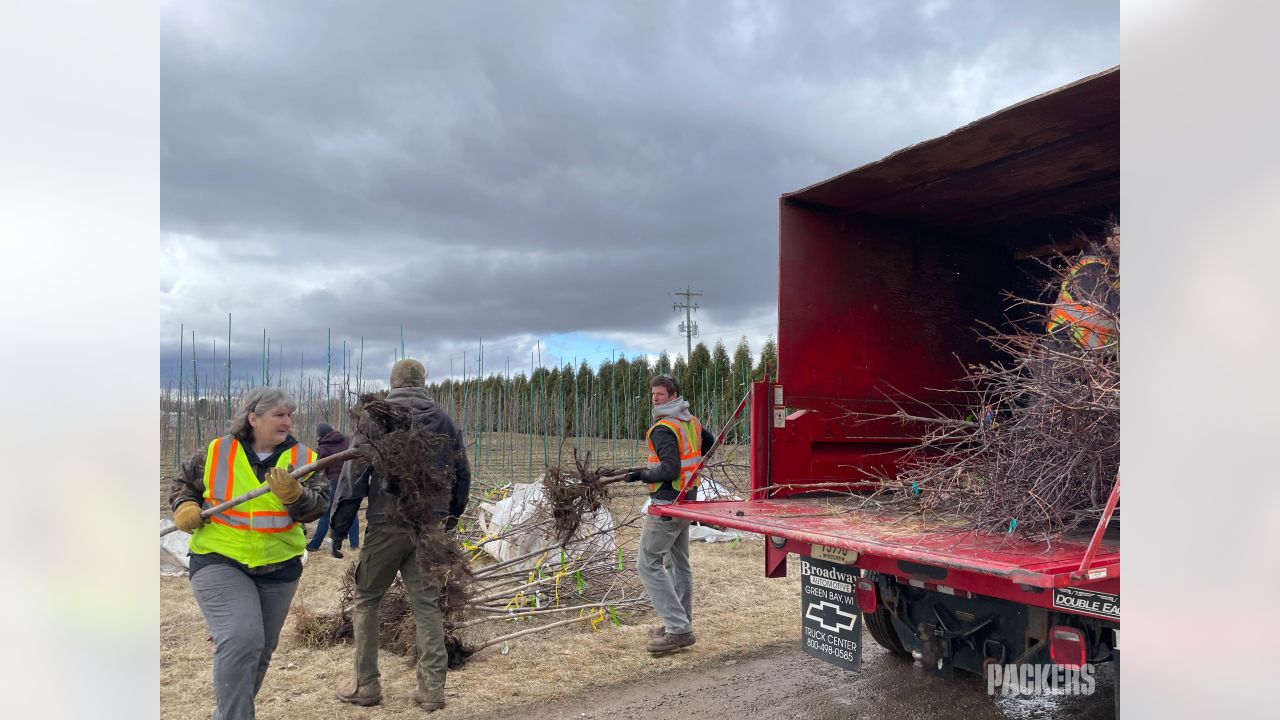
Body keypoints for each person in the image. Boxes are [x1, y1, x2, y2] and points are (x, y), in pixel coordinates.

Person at [169, 387, 329, 720]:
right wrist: (184, 505)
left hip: (279, 566)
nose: (287, 422)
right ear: (253, 418)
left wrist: (296, 496)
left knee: (259, 652)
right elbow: (183, 483)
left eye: (289, 415)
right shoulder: (216, 451)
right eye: (279, 415)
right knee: (242, 638)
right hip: (220, 558)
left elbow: (317, 508)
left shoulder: (305, 459)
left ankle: (229, 713)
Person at [329, 358, 471, 712]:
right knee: (426, 606)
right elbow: (462, 474)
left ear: (392, 383)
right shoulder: (444, 420)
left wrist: (338, 527)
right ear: (423, 382)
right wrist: (447, 519)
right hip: (430, 527)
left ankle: (367, 686)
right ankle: (432, 691)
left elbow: (352, 476)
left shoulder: (375, 417)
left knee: (366, 600)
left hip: (386, 523)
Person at [611, 373, 715, 655]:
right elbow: (709, 443)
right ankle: (680, 623)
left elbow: (668, 470)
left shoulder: (664, 428)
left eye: (660, 394)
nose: (655, 398)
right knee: (678, 565)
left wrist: (639, 475)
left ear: (672, 396)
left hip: (668, 503)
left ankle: (678, 629)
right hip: (687, 499)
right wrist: (692, 466)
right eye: (653, 394)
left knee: (648, 564)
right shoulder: (689, 420)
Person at [305, 421, 358, 558]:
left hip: (333, 482)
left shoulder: (322, 447)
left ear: (320, 435)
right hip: (349, 481)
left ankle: (314, 545)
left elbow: (320, 469)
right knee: (351, 512)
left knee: (326, 515)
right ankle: (354, 544)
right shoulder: (347, 439)